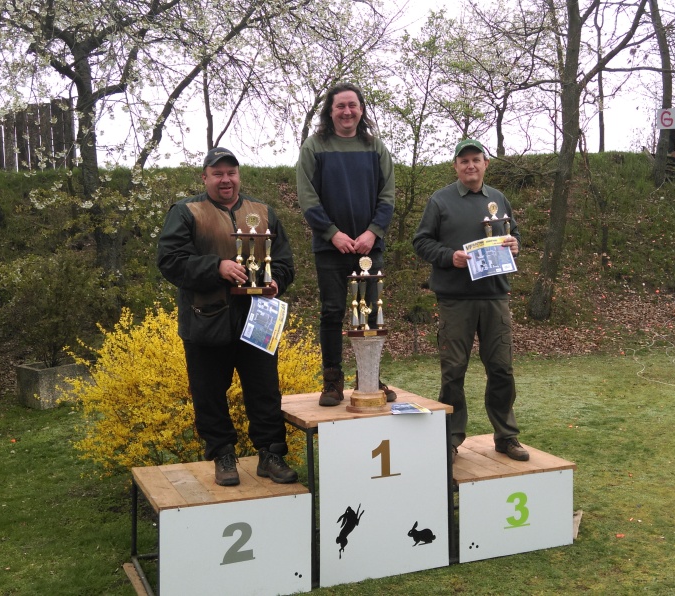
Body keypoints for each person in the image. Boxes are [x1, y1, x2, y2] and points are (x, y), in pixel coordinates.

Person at [157, 147, 298, 487]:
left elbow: (283, 261)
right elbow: (170, 261)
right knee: (209, 393)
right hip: (206, 319)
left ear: (239, 176)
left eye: (231, 173)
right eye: (217, 173)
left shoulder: (263, 212)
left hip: (258, 317)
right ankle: (223, 455)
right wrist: (216, 267)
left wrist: (276, 280)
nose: (225, 180)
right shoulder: (185, 212)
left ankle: (271, 454)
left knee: (265, 391)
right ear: (204, 177)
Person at [412, 139, 529, 462]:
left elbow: (514, 234)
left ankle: (506, 436)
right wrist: (450, 257)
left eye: (476, 160)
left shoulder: (498, 199)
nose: (470, 166)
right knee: (453, 372)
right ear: (456, 166)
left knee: (502, 369)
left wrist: (516, 245)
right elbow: (421, 242)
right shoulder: (440, 200)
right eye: (463, 161)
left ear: (485, 164)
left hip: (494, 297)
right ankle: (450, 438)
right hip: (455, 299)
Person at [297, 82, 397, 406]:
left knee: (371, 313)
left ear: (361, 110)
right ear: (330, 111)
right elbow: (307, 197)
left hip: (369, 248)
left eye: (352, 105)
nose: (347, 111)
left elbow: (387, 195)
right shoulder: (314, 146)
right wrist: (332, 233)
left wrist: (373, 232)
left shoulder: (375, 147)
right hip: (330, 248)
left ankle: (370, 378)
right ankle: (332, 381)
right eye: (340, 106)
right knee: (332, 312)